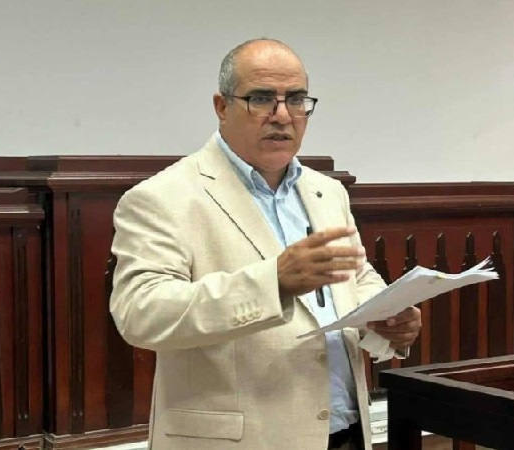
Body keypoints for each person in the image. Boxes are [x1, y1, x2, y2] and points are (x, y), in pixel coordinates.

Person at [109, 38, 422, 450]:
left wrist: (387, 321)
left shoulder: (326, 192)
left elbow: (356, 278)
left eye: (295, 99)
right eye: (261, 99)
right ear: (222, 107)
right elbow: (140, 313)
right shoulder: (163, 197)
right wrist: (272, 283)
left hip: (346, 430)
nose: (282, 116)